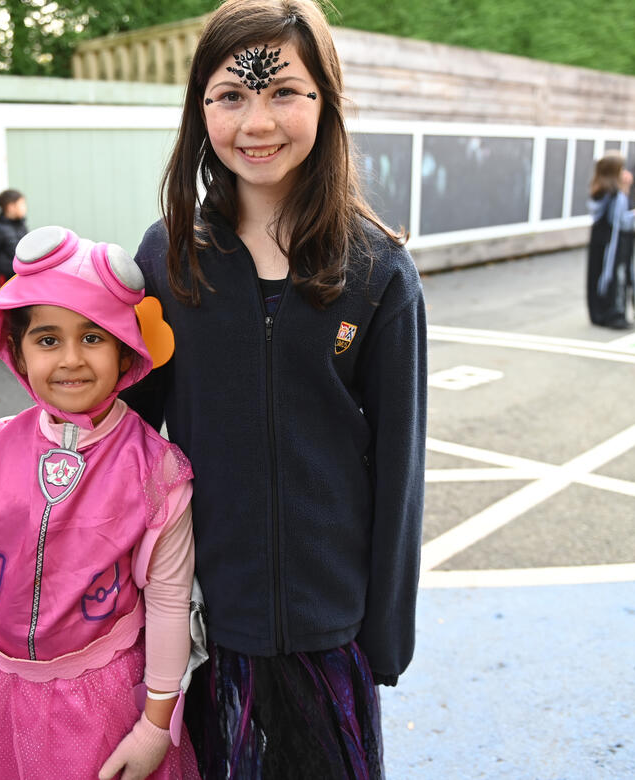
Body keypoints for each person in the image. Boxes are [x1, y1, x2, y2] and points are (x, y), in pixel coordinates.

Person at [129, 1, 425, 774]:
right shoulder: (170, 258)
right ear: (200, 109)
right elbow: (122, 415)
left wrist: (385, 631)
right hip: (201, 621)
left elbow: (401, 465)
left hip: (331, 631)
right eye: (231, 95)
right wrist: (15, 450)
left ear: (325, 101)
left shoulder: (378, 271)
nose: (257, 120)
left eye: (284, 91)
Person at [0, 226, 201, 779]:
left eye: (93, 337)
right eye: (48, 339)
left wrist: (154, 726)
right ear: (18, 354)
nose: (71, 359)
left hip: (107, 702)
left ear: (125, 352)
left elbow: (169, 603)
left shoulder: (157, 470)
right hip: (4, 688)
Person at [587, 151, 635, 329]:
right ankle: (614, 314)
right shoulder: (616, 194)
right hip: (614, 244)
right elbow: (620, 221)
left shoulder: (599, 190)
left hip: (599, 241)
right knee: (615, 275)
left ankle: (599, 312)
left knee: (597, 274)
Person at [0, 188, 29, 286]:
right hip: (9, 279)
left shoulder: (21, 226)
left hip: (24, 276)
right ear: (10, 207)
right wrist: (4, 268)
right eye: (22, 204)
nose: (25, 207)